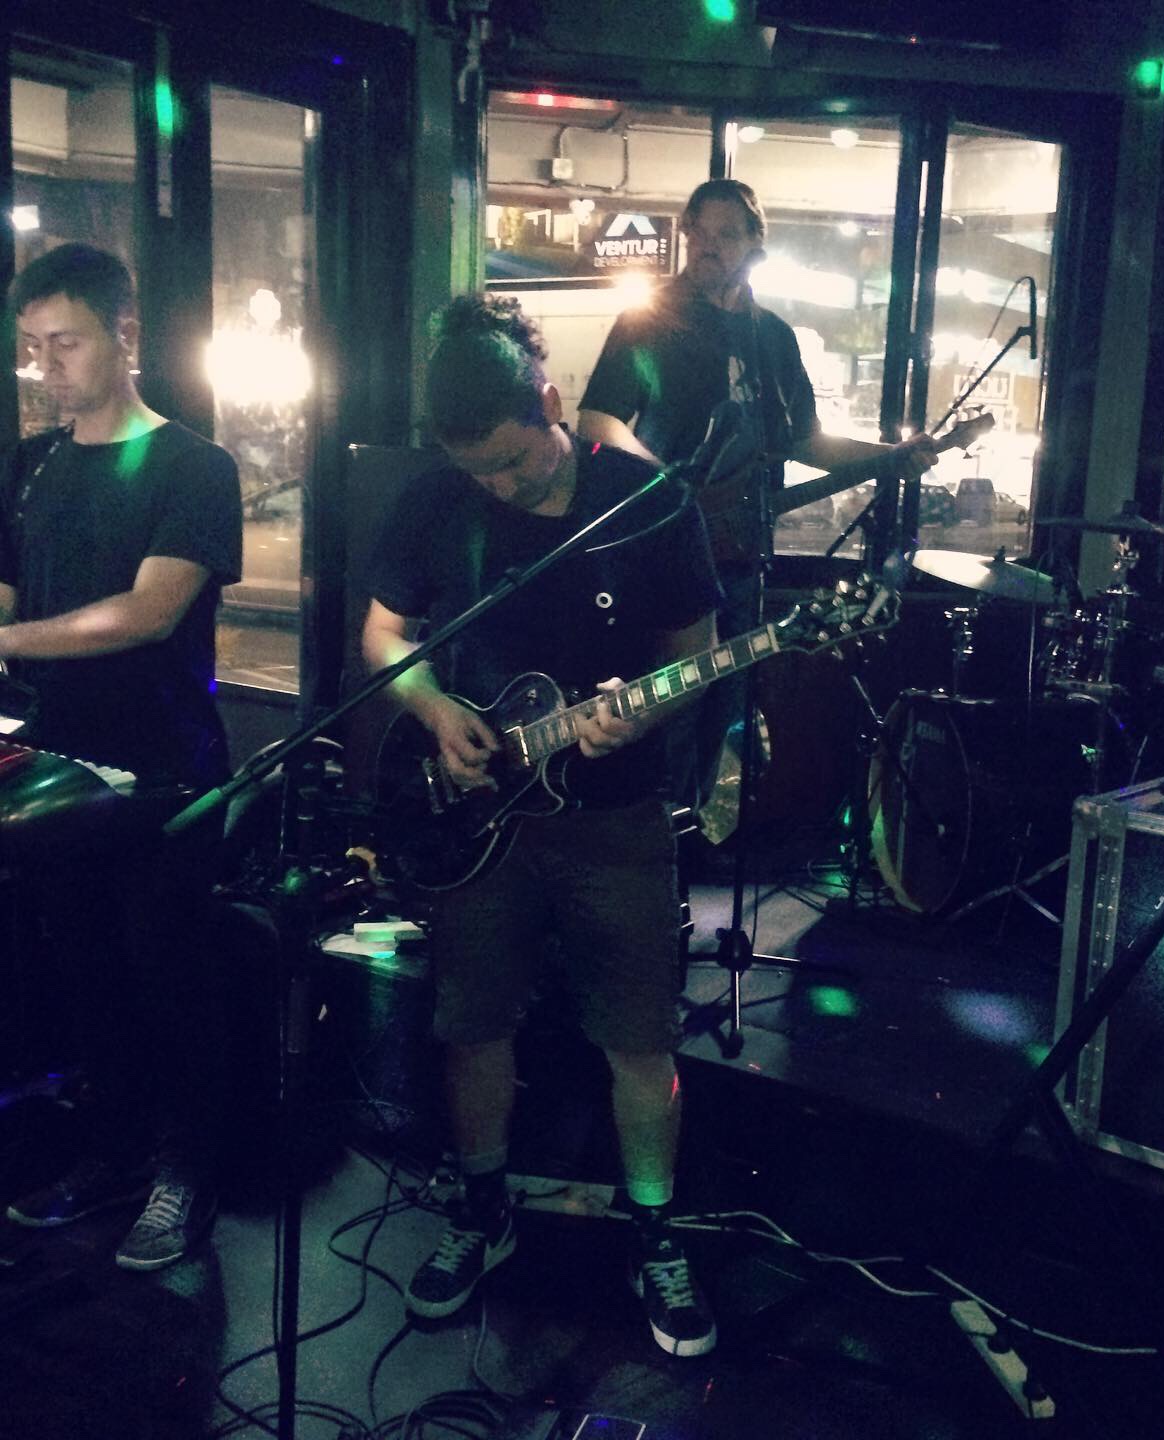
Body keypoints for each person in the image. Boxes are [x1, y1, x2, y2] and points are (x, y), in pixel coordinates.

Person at [361, 295, 722, 1355]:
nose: (501, 487)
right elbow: (385, 636)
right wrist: (434, 709)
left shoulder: (649, 502)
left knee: (640, 1038)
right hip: (480, 817)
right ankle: (482, 1209)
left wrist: (642, 711)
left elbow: (698, 657)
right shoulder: (435, 501)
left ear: (553, 402)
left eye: (514, 463)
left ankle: (654, 1232)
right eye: (478, 471)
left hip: (617, 818)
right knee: (472, 1023)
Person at [0, 243, 243, 1269]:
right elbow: (9, 593)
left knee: (167, 976)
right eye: (31, 347)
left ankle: (188, 1176)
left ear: (125, 335)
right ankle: (114, 1154)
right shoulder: (30, 464)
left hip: (164, 776)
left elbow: (150, 612)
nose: (45, 367)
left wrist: (7, 640)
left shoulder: (195, 466)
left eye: (65, 343)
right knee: (87, 976)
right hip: (54, 773)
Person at [577, 178, 935, 810]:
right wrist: (663, 486)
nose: (708, 245)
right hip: (665, 556)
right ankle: (650, 839)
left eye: (726, 234)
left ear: (754, 247)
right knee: (664, 714)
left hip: (741, 558)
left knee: (720, 714)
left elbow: (807, 441)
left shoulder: (772, 338)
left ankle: (690, 837)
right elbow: (597, 421)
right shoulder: (650, 322)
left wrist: (889, 457)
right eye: (699, 231)